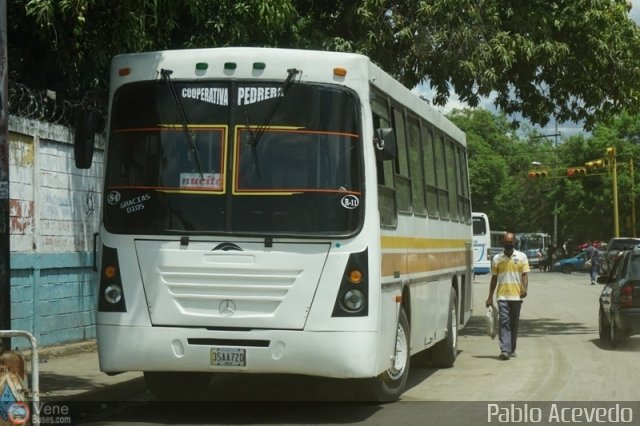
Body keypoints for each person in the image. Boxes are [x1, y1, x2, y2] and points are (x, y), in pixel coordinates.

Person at [486, 232, 530, 360]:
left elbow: (525, 275)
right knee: (504, 322)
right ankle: (505, 350)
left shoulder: (522, 257)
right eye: (506, 242)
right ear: (502, 242)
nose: (508, 244)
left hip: (516, 297)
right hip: (502, 296)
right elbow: (494, 279)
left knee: (514, 323)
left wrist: (524, 289)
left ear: (514, 243)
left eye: (510, 242)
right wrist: (490, 296)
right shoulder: (497, 259)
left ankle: (512, 348)